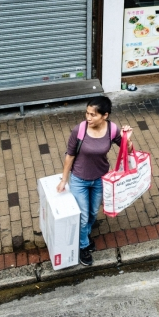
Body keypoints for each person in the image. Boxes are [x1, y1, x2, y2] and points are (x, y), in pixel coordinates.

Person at [56, 96, 133, 266]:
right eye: (87, 113)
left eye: (93, 115)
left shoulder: (112, 129)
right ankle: (83, 245)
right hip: (79, 180)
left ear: (105, 115)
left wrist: (127, 137)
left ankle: (83, 233)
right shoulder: (79, 130)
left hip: (100, 178)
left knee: (92, 213)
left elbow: (126, 151)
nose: (88, 118)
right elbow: (70, 155)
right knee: (83, 216)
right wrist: (64, 179)